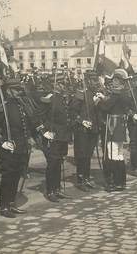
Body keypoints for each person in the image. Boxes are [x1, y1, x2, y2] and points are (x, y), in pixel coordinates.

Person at [0, 81, 32, 218]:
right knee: (8, 178)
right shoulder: (3, 108)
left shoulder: (21, 106)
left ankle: (12, 203)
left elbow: (25, 126)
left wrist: (29, 139)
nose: (19, 92)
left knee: (16, 176)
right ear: (8, 91)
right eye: (16, 90)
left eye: (20, 90)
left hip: (21, 148)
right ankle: (4, 206)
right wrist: (1, 142)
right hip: (9, 148)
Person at [40, 73, 72, 202]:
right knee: (52, 164)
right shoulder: (49, 98)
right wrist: (44, 131)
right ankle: (50, 191)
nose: (64, 86)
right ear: (56, 84)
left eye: (64, 84)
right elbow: (39, 117)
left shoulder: (62, 98)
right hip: (52, 136)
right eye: (62, 84)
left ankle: (57, 189)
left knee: (59, 162)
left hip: (62, 136)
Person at [99, 69, 131, 191]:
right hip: (120, 126)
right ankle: (121, 182)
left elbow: (106, 107)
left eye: (114, 80)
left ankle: (114, 182)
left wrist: (100, 100)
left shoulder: (116, 94)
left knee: (112, 154)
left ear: (118, 81)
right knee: (119, 154)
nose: (112, 83)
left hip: (113, 125)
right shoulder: (124, 93)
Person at [70, 72, 100, 191]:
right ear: (87, 81)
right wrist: (82, 121)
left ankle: (86, 178)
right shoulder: (80, 94)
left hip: (93, 130)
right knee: (81, 155)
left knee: (88, 155)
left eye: (96, 80)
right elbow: (72, 112)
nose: (96, 82)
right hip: (81, 130)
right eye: (93, 80)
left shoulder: (96, 94)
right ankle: (80, 179)